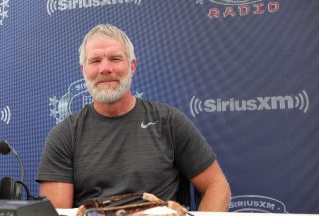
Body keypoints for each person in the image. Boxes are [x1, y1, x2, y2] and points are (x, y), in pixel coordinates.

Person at [36, 24, 231, 211]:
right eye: (95, 61)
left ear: (132, 66)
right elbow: (56, 212)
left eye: (115, 58)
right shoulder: (65, 135)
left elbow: (217, 187)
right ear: (83, 70)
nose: (105, 68)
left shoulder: (169, 122)